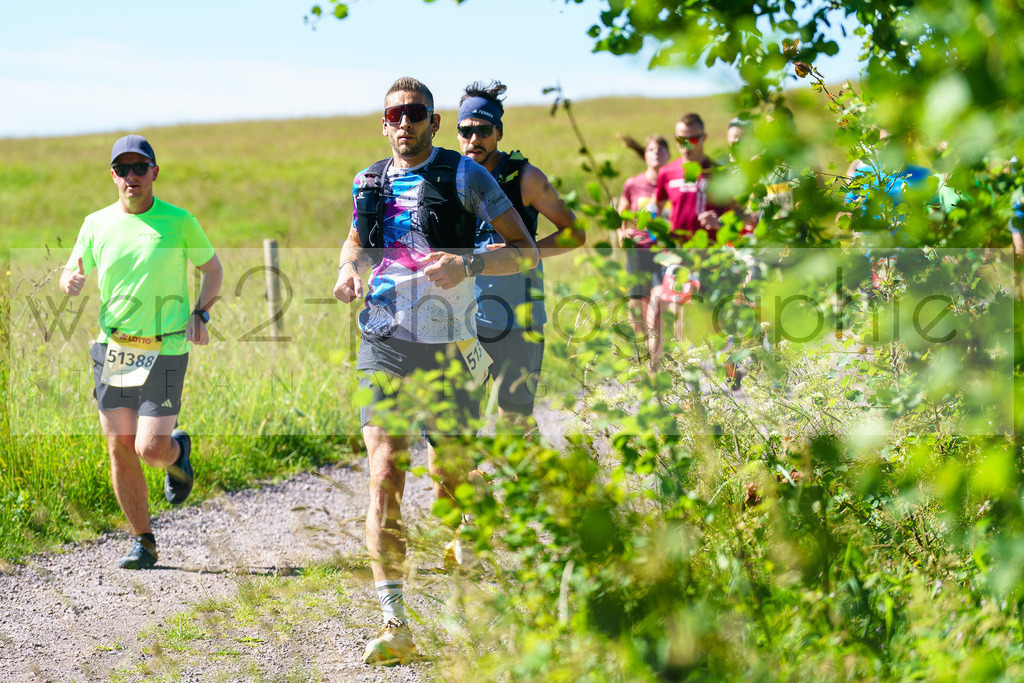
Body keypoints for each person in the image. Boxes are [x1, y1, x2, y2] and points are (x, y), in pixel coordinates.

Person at [331, 77, 538, 666]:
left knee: (450, 473)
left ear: (433, 121)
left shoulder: (466, 176)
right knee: (384, 470)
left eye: (415, 114)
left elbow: (523, 250)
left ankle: (474, 521)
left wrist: (467, 262)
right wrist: (348, 271)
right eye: (394, 114)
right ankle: (395, 620)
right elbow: (355, 241)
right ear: (383, 121)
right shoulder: (368, 180)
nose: (404, 123)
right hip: (385, 340)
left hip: (449, 345)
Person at [60, 134, 222, 570]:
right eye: (122, 169)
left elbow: (212, 270)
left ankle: (177, 453)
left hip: (165, 349)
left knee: (151, 448)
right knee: (120, 448)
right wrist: (69, 281)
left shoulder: (179, 221)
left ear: (154, 171)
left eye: (139, 168)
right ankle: (143, 541)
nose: (131, 176)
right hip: (114, 348)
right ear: (113, 176)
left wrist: (200, 314)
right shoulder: (96, 223)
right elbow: (72, 269)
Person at [457, 80, 584, 423]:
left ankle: (531, 476)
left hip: (518, 321)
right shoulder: (452, 178)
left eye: (483, 130)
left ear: (498, 131)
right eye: (465, 130)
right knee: (459, 420)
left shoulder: (524, 177)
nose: (474, 139)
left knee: (514, 421)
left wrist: (524, 251)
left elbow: (575, 234)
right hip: (465, 321)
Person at [654, 113, 737, 352]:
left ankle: (725, 366)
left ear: (704, 138)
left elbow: (737, 218)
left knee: (713, 313)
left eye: (692, 139)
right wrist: (654, 236)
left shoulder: (717, 173)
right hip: (679, 254)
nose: (686, 145)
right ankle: (687, 369)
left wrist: (719, 222)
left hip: (712, 254)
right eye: (681, 140)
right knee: (679, 308)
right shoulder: (667, 172)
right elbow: (654, 209)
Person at [616, 134, 670, 366]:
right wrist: (622, 233)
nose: (655, 153)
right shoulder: (633, 183)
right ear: (645, 155)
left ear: (669, 155)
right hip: (638, 251)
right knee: (637, 316)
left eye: (660, 150)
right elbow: (622, 214)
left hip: (664, 252)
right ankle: (642, 353)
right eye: (650, 150)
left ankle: (654, 365)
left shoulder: (673, 183)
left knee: (657, 306)